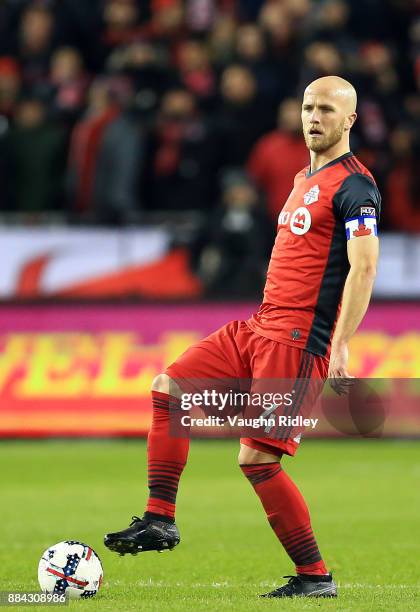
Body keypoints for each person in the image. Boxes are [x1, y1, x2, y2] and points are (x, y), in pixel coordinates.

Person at [104, 76, 381, 599]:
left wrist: (341, 341)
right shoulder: (303, 177)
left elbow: (364, 268)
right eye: (307, 107)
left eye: (326, 109)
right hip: (257, 327)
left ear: (350, 120)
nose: (314, 117)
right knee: (169, 388)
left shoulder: (356, 187)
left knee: (257, 459)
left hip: (297, 340)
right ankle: (160, 517)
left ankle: (315, 577)